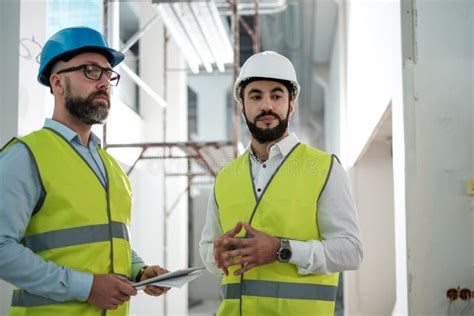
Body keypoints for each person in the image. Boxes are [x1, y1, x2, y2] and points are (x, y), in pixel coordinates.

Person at [0, 26, 169, 315]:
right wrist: (87, 287)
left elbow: (105, 243)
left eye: (108, 74)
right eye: (91, 71)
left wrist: (139, 271)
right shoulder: (26, 156)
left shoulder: (110, 166)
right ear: (58, 83)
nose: (104, 82)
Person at [199, 51, 363, 315]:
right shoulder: (225, 177)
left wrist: (282, 250)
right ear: (242, 106)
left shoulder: (324, 168)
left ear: (291, 104)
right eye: (255, 96)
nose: (267, 105)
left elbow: (350, 251)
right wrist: (215, 255)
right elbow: (208, 249)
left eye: (276, 96)